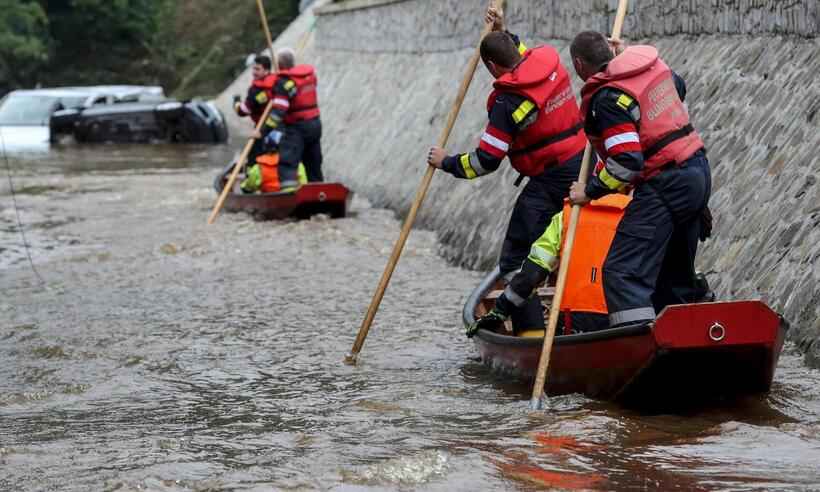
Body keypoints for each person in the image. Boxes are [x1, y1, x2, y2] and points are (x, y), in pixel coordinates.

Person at [427, 6, 587, 332]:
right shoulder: (549, 62)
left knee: (515, 259)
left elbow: (485, 161)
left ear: (491, 66)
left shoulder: (507, 102)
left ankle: (530, 330)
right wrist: (503, 28)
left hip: (550, 179)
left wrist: (444, 161)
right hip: (584, 165)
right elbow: (519, 56)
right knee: (585, 243)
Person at [566, 32, 711, 328]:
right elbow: (677, 88)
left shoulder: (607, 99)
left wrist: (589, 192)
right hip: (697, 172)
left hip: (666, 184)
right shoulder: (651, 67)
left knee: (623, 273)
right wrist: (625, 59)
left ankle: (637, 344)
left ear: (579, 65)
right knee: (674, 275)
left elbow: (627, 162)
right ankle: (682, 343)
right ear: (611, 51)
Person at [469, 170, 631, 337]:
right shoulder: (642, 217)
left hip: (574, 322)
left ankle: (535, 338)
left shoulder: (566, 217)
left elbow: (530, 275)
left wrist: (500, 311)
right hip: (627, 322)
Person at [263, 47, 323, 190]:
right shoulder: (309, 76)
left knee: (287, 161)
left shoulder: (283, 83)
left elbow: (279, 110)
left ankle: (288, 194)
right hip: (315, 124)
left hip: (297, 127)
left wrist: (265, 131)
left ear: (278, 65)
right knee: (313, 161)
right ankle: (318, 191)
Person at [234, 55, 278, 163]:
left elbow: (243, 111)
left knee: (254, 158)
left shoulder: (255, 90)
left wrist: (236, 104)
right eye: (253, 68)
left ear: (267, 70)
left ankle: (254, 174)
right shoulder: (278, 82)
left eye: (257, 69)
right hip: (279, 127)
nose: (254, 72)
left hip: (262, 128)